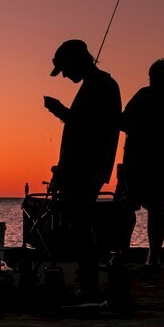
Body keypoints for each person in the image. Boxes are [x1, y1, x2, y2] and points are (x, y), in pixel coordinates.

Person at [44, 39, 121, 299]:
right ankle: (87, 281)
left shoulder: (101, 85)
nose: (64, 75)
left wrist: (60, 111)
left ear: (75, 61)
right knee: (79, 222)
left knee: (80, 223)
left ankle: (88, 284)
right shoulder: (98, 84)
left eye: (64, 69)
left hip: (86, 167)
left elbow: (89, 127)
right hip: (82, 166)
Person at [118, 58, 164, 272]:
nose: (150, 80)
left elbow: (123, 122)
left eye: (153, 77)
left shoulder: (144, 96)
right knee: (156, 209)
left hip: (139, 162)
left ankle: (125, 252)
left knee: (128, 206)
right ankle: (153, 257)